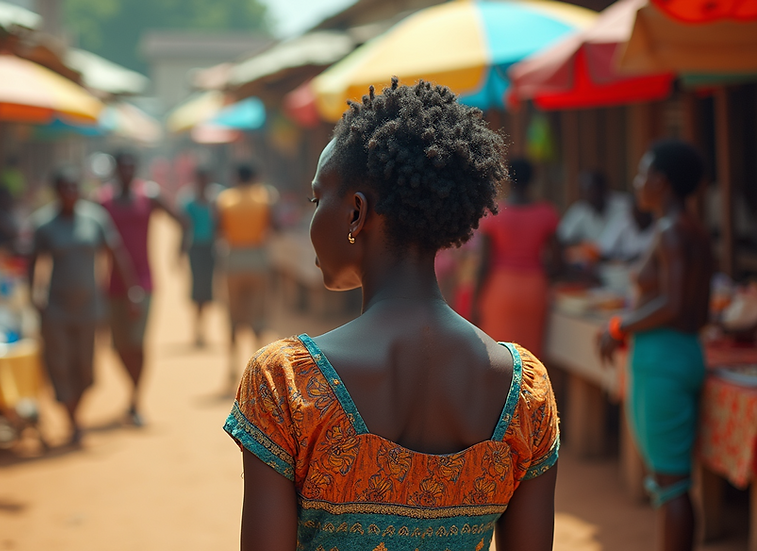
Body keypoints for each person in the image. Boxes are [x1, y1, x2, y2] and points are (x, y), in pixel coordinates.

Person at [225, 80, 559, 551]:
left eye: (319, 199)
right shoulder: (525, 393)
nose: (315, 216)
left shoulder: (286, 383)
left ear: (357, 213)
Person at [599, 140, 713, 551]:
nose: (637, 182)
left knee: (671, 484)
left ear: (661, 181)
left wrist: (619, 327)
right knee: (674, 481)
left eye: (642, 173)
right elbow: (694, 309)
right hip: (683, 352)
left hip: (663, 358)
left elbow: (675, 301)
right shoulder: (694, 229)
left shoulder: (669, 230)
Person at [30, 168, 139, 444]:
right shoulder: (44, 224)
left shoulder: (95, 219)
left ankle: (75, 413)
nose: (70, 193)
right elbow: (31, 263)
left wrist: (130, 291)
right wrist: (34, 295)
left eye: (73, 188)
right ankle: (73, 421)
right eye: (64, 188)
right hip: (56, 308)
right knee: (60, 364)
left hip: (90, 307)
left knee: (85, 365)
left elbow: (117, 254)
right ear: (56, 192)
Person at [100, 151, 186, 426]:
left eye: (130, 165)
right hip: (112, 284)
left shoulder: (148, 197)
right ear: (115, 169)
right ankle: (132, 391)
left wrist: (179, 252)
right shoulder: (103, 202)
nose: (126, 170)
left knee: (137, 343)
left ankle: (135, 399)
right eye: (121, 166)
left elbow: (183, 220)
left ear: (135, 168)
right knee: (117, 346)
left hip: (144, 282)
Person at [474, 158, 560, 355]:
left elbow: (484, 265)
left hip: (499, 291)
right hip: (534, 291)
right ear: (533, 180)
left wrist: (474, 302)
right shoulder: (547, 213)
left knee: (497, 357)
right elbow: (558, 264)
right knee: (529, 360)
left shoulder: (494, 213)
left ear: (507, 179)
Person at [216, 163, 275, 384]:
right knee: (258, 315)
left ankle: (232, 368)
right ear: (254, 176)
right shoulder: (265, 196)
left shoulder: (225, 199)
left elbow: (218, 229)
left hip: (234, 259)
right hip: (258, 257)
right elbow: (273, 226)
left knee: (233, 314)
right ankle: (259, 371)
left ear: (236, 176)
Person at [181, 167, 218, 347]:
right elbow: (184, 228)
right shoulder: (188, 201)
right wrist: (179, 251)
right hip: (195, 249)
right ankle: (197, 330)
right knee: (197, 288)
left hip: (211, 248)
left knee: (208, 289)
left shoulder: (216, 200)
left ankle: (204, 329)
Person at [558, 170, 632, 247]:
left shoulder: (624, 205)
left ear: (604, 188)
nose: (587, 194)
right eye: (584, 190)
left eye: (591, 189)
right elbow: (563, 237)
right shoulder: (580, 210)